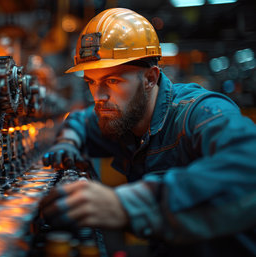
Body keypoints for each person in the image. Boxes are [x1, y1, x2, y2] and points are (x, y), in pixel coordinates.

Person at [39, 7, 256, 257]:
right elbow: (80, 121)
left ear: (150, 78)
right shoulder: (122, 117)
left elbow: (250, 166)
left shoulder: (199, 113)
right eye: (92, 82)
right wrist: (67, 143)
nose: (98, 97)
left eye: (112, 81)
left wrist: (123, 205)